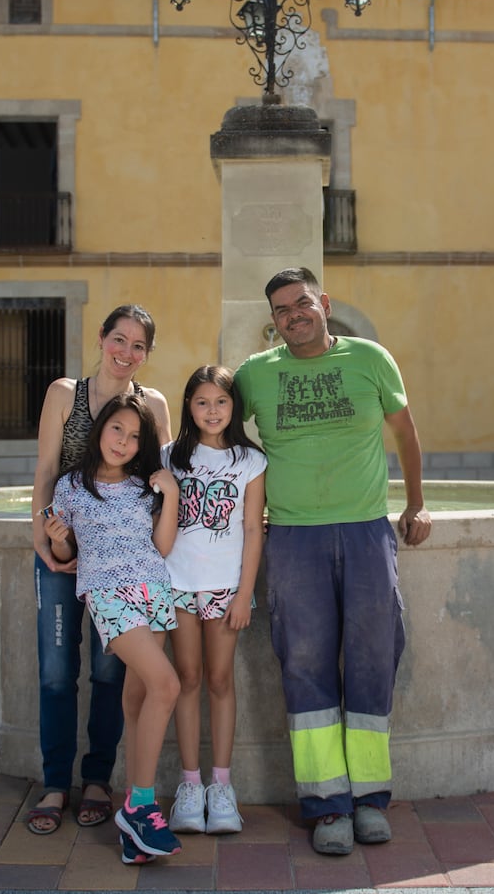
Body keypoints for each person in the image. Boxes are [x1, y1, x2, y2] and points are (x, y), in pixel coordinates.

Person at [233, 267, 433, 857]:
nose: (292, 316)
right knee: (304, 663)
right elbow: (212, 424)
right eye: (281, 311)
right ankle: (325, 806)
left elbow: (406, 433)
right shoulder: (253, 374)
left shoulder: (370, 359)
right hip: (293, 538)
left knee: (373, 656)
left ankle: (371, 801)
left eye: (301, 304)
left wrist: (418, 505)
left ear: (323, 302)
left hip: (367, 530)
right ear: (274, 322)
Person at [27, 306, 172, 836]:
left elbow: (159, 481)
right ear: (101, 339)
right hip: (64, 548)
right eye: (119, 339)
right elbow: (46, 469)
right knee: (55, 670)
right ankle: (54, 783)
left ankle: (96, 779)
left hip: (125, 560)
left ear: (147, 354)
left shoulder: (152, 404)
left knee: (113, 672)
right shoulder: (65, 393)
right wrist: (43, 535)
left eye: (138, 345)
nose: (126, 352)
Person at [44, 391, 183, 863]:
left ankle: (133, 831)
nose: (123, 441)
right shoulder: (70, 487)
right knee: (167, 683)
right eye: (116, 429)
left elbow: (162, 548)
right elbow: (65, 557)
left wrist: (174, 495)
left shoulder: (146, 486)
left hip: (155, 591)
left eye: (134, 435)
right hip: (108, 595)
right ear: (100, 429)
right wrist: (59, 544)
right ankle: (142, 806)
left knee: (139, 697)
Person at [162, 366, 267, 836]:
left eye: (221, 402)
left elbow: (251, 528)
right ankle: (189, 784)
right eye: (202, 402)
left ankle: (221, 786)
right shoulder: (169, 458)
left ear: (234, 407)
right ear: (188, 406)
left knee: (220, 679)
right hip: (179, 583)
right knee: (187, 678)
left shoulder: (250, 460)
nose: (212, 411)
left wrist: (245, 593)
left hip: (226, 588)